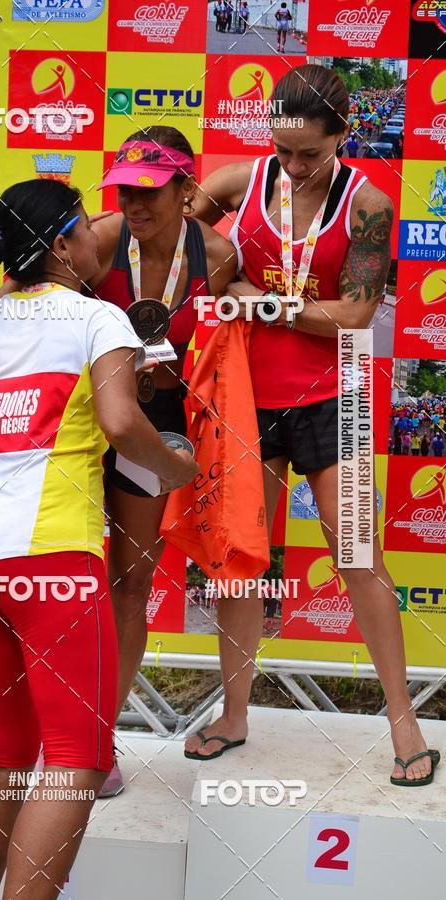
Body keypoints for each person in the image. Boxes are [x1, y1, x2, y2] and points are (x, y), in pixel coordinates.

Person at [0, 179, 198, 898]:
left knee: (7, 754)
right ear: (60, 245)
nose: (100, 238)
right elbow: (118, 424)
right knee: (76, 758)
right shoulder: (101, 319)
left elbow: (71, 400)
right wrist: (176, 464)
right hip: (51, 556)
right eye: (87, 228)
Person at [188, 63, 439, 785]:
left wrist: (251, 299)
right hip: (246, 397)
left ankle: (405, 728)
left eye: (309, 154)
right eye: (283, 149)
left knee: (359, 557)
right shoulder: (240, 182)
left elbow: (356, 318)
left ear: (342, 137)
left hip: (336, 398)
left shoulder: (369, 206)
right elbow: (182, 239)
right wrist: (217, 275)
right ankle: (235, 715)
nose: (293, 166)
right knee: (242, 564)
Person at [89, 126, 237, 796]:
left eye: (149, 190)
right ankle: (34, 728)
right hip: (84, 424)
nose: (134, 203)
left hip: (159, 427)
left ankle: (98, 742)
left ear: (186, 191)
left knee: (129, 586)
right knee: (61, 581)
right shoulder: (94, 239)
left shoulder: (217, 255)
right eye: (125, 188)